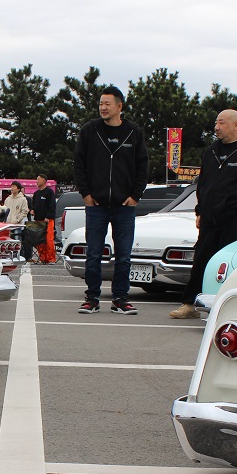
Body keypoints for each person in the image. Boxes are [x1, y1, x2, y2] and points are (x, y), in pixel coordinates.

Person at [170, 110, 237, 319]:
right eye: (216, 123)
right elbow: (203, 183)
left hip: (236, 218)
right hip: (210, 218)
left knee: (231, 264)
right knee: (201, 260)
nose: (216, 127)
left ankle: (231, 306)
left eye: (222, 123)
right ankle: (189, 304)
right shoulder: (211, 151)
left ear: (236, 126)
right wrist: (200, 211)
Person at [73, 85, 148, 314]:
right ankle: (92, 298)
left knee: (123, 255)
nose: (103, 108)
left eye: (107, 104)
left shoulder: (133, 132)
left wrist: (135, 195)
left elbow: (142, 166)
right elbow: (79, 164)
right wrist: (86, 194)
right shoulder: (90, 130)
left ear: (119, 106)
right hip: (96, 205)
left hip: (124, 206)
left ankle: (120, 299)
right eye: (100, 104)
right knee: (94, 254)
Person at [27, 173, 56, 263]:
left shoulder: (49, 192)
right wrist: (32, 210)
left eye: (38, 179)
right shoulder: (36, 193)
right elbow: (33, 205)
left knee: (49, 239)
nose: (37, 181)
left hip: (47, 220)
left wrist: (48, 216)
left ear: (43, 180)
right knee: (39, 240)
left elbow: (52, 205)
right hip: (38, 220)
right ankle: (42, 258)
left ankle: (51, 259)